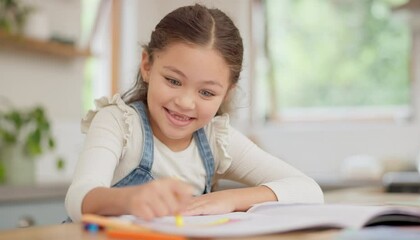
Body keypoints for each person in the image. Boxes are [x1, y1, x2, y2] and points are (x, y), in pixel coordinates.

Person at [65, 3, 323, 222]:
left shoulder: (215, 139)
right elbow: (79, 199)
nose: (186, 103)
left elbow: (309, 191)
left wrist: (230, 199)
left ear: (227, 93)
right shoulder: (119, 123)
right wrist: (130, 199)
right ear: (147, 65)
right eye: (173, 81)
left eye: (207, 93)